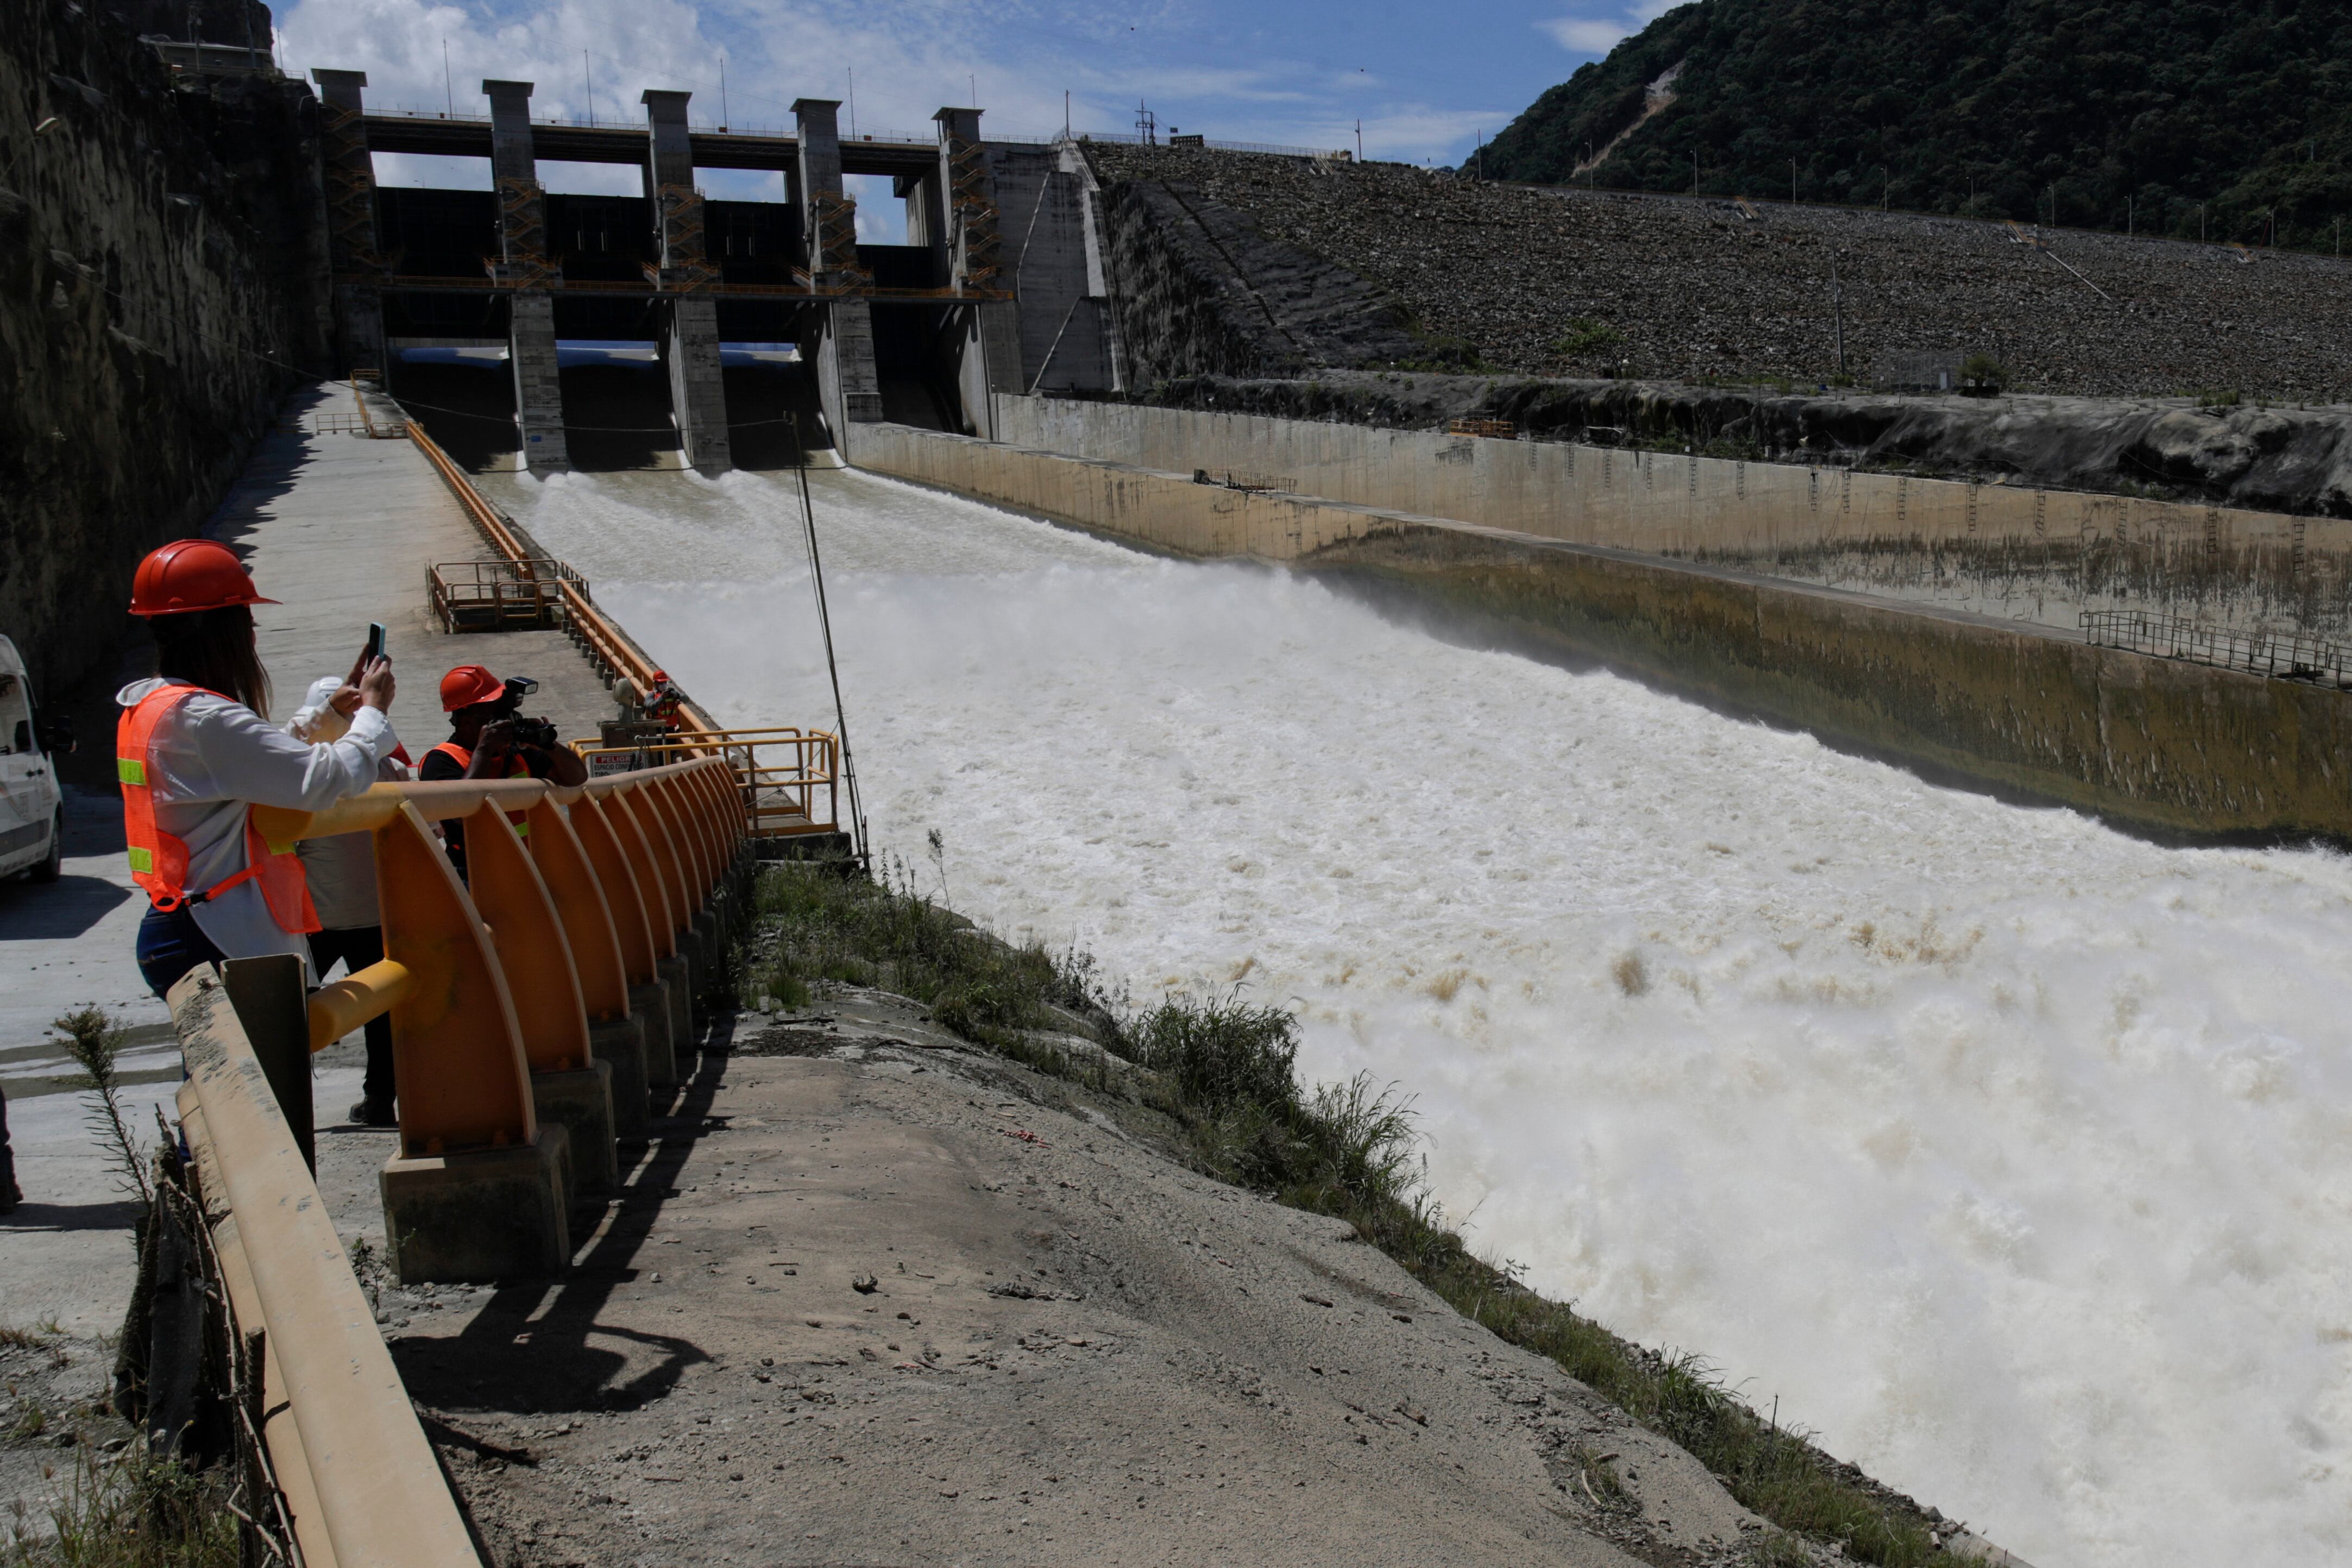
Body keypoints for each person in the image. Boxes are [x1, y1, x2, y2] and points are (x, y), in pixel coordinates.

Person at [116, 538, 397, 998]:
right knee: (266, 1070)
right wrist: (373, 713)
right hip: (224, 932)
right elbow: (324, 781)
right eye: (248, 621)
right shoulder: (206, 718)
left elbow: (247, 767)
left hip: (183, 921)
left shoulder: (152, 706)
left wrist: (326, 714)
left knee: (221, 1070)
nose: (252, 636)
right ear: (222, 630)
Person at [288, 675, 411, 1127]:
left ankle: (287, 1100)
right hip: (375, 914)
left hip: (316, 918)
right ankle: (380, 1099)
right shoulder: (391, 772)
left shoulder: (306, 784)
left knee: (289, 1012)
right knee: (381, 1013)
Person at [419, 664, 585, 881]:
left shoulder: (516, 752)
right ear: (467, 720)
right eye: (493, 714)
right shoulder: (441, 760)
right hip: (476, 876)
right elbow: (460, 811)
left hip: (526, 869)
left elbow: (576, 777)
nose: (505, 720)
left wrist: (549, 745)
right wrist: (484, 750)